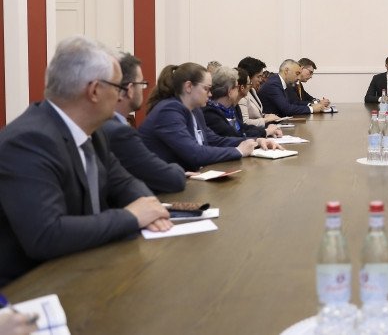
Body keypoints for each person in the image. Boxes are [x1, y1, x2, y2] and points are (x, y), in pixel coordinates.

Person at [0, 36, 171, 286]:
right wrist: (132, 217)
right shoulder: (29, 141)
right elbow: (47, 235)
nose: (120, 96)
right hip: (32, 286)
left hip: (83, 265)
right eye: (118, 88)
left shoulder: (93, 132)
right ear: (94, 91)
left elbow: (125, 182)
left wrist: (150, 209)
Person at [139, 62, 279, 171]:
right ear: (189, 87)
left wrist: (256, 140)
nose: (211, 94)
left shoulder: (195, 110)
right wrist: (238, 151)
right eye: (206, 89)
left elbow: (214, 140)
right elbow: (195, 153)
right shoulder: (168, 111)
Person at [100, 53, 189, 193]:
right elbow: (172, 179)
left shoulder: (106, 125)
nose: (143, 89)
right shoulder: (119, 132)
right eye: (141, 84)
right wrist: (177, 169)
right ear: (130, 89)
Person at [203, 66, 282, 139]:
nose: (239, 90)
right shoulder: (210, 113)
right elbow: (236, 135)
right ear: (230, 91)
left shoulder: (232, 108)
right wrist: (266, 132)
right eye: (237, 87)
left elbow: (243, 127)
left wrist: (266, 130)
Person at [258, 59, 326, 116]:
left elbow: (294, 102)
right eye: (297, 73)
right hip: (272, 124)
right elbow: (287, 109)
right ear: (286, 71)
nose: (298, 77)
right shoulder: (274, 84)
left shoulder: (283, 83)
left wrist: (312, 105)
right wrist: (312, 109)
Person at [237, 56, 281, 128]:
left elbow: (255, 115)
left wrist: (266, 115)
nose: (261, 80)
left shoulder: (253, 90)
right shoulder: (241, 95)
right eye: (258, 77)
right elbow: (245, 122)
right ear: (248, 76)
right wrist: (266, 119)